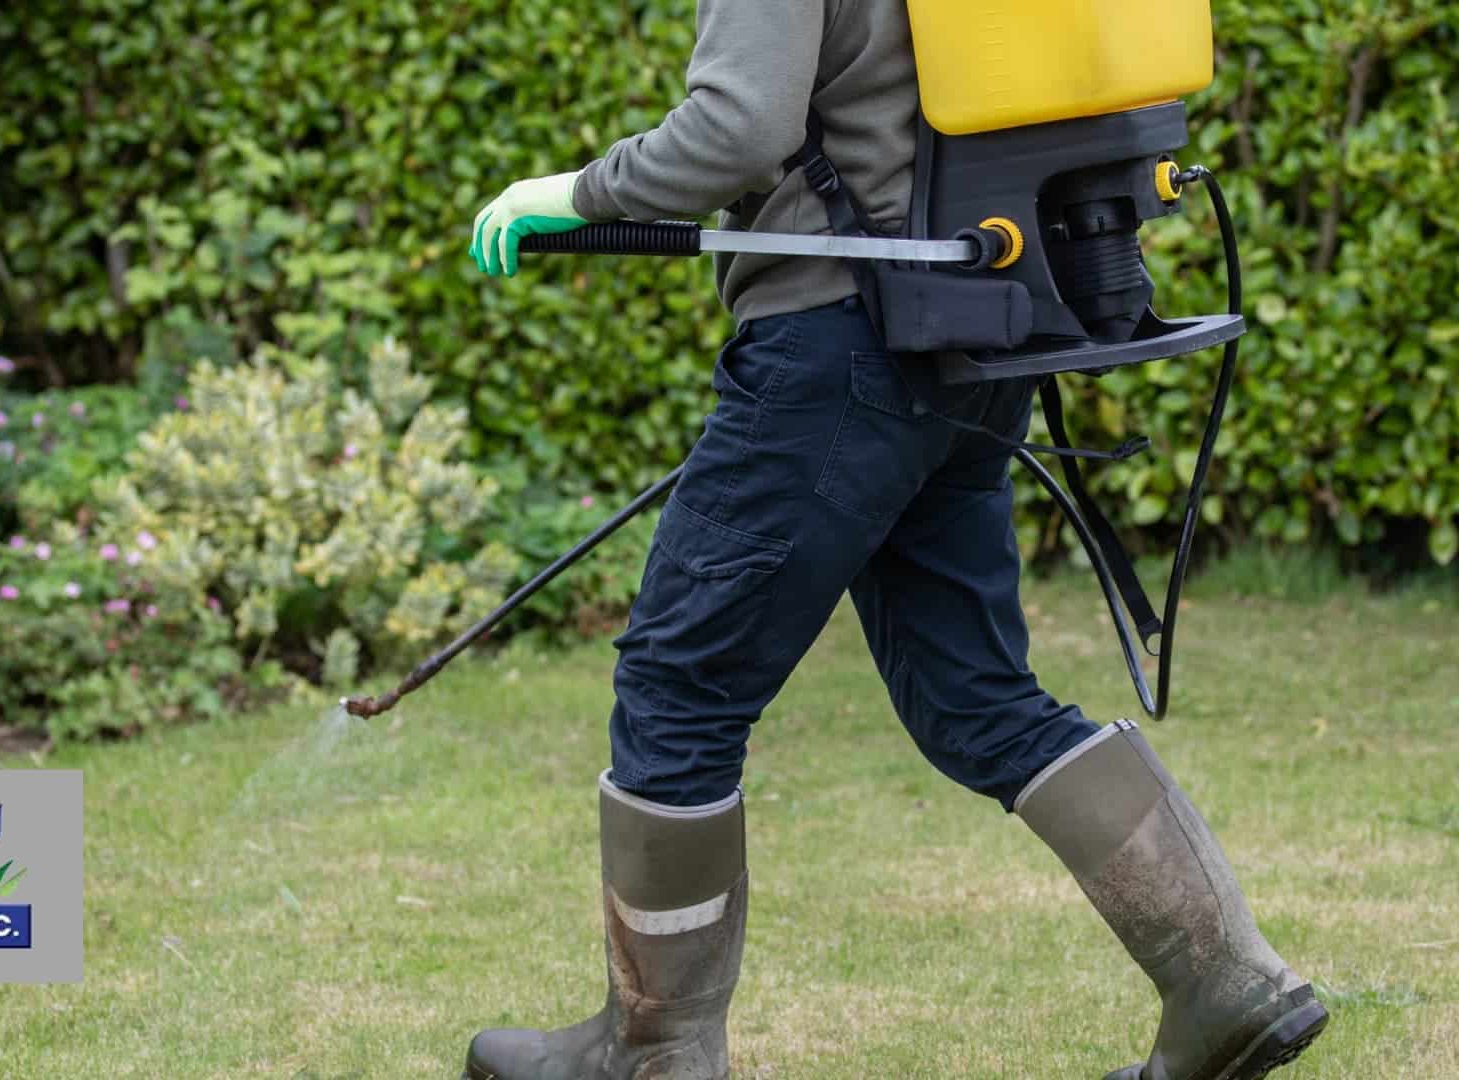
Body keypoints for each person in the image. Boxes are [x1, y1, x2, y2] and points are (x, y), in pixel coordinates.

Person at [460, 2, 1328, 1078]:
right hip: (976, 325)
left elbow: (736, 129)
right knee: (974, 693)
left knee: (681, 686)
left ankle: (657, 1051)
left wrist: (568, 193)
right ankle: (1226, 978)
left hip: (838, 343)